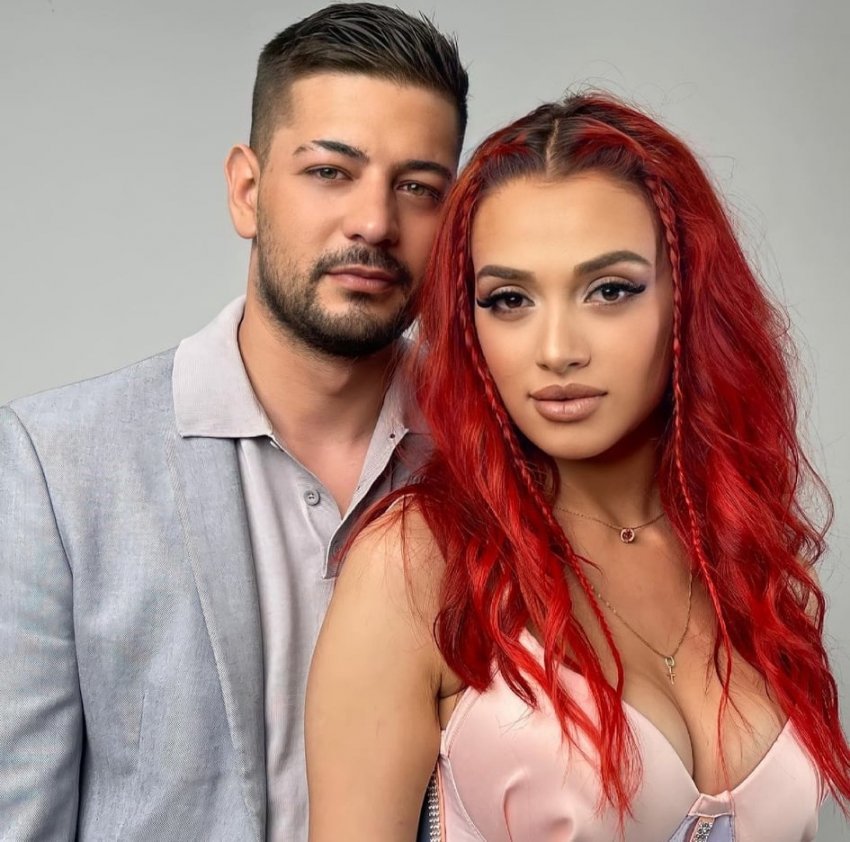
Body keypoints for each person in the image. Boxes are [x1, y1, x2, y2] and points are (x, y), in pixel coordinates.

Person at [305, 93, 850, 841]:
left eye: (609, 290)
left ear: (688, 298)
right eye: (509, 299)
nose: (557, 349)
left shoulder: (749, 559)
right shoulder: (417, 565)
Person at [0, 4, 467, 840]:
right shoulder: (56, 468)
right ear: (247, 191)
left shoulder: (494, 467)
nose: (374, 221)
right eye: (330, 171)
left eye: (418, 188)